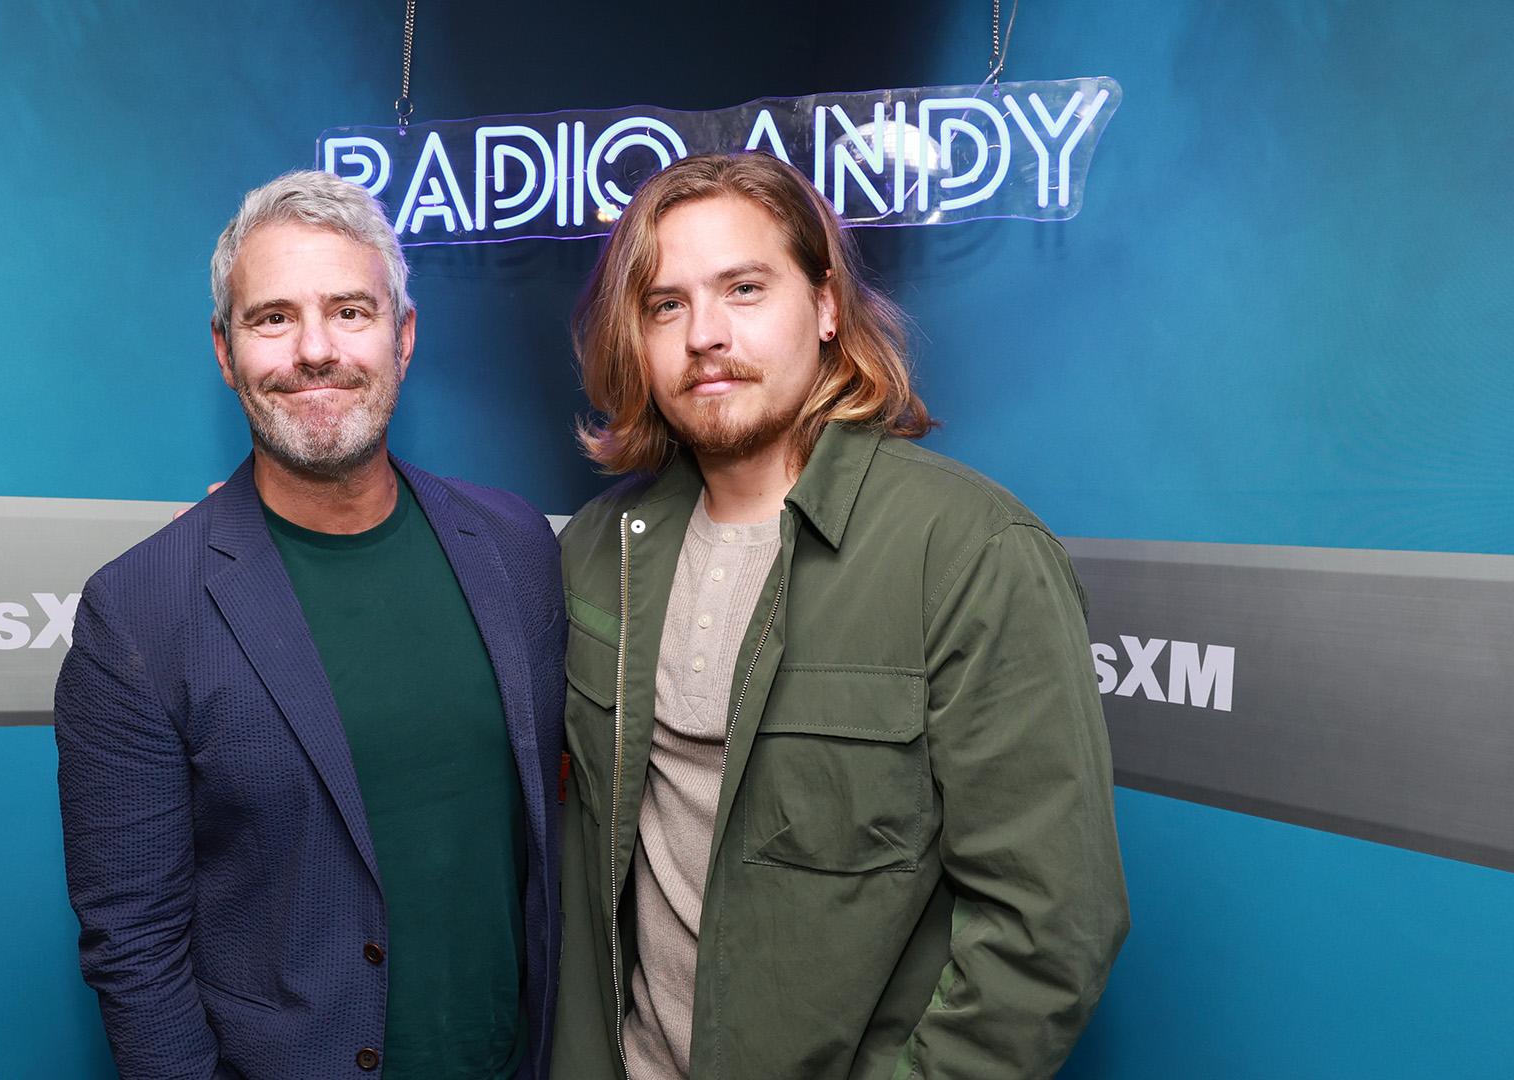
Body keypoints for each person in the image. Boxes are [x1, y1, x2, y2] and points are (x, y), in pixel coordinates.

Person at [550, 152, 1128, 1080]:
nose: (705, 334)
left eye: (744, 288)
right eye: (667, 304)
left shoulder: (970, 551)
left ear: (825, 306)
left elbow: (1052, 921)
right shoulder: (596, 548)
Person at [55, 170, 565, 1080]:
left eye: (351, 312)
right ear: (225, 349)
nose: (315, 350)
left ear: (403, 337)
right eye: (273, 318)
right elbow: (133, 947)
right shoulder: (140, 609)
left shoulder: (517, 547)